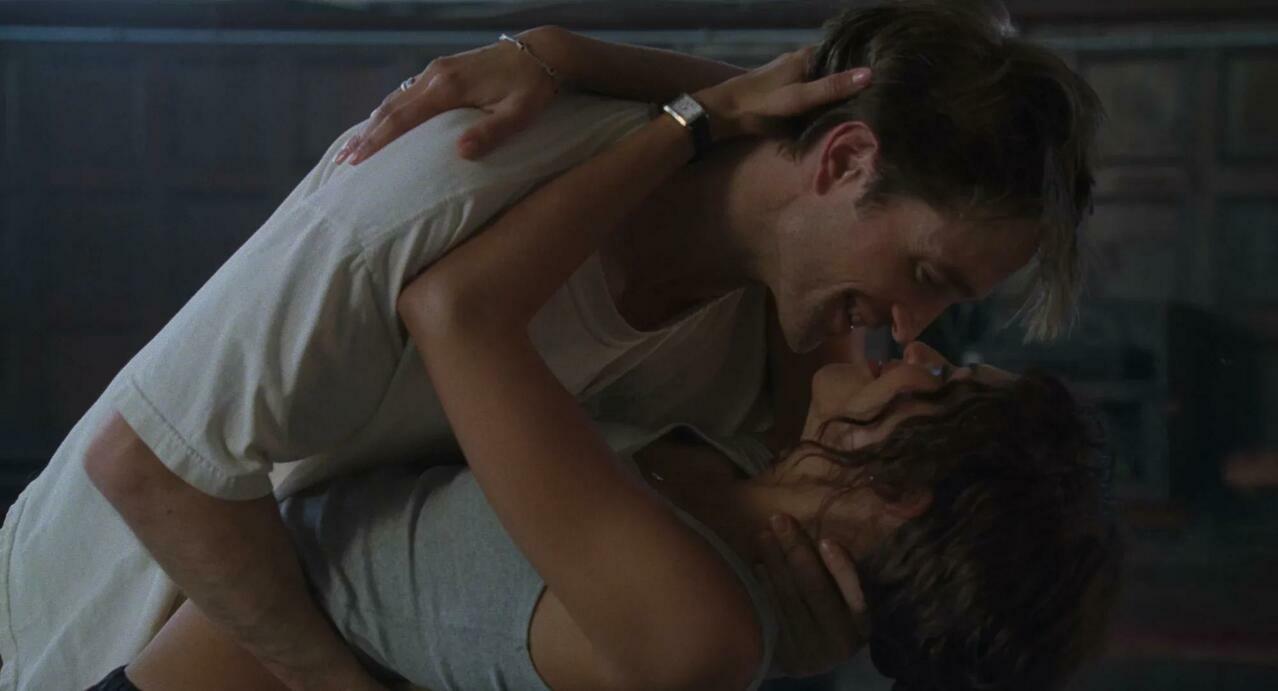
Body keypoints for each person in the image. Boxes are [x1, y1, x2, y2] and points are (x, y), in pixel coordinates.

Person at [0, 3, 1102, 690]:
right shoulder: (451, 189)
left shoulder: (772, 341)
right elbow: (145, 468)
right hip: (97, 624)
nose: (910, 330)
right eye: (926, 276)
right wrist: (581, 63)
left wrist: (608, 68)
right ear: (842, 162)